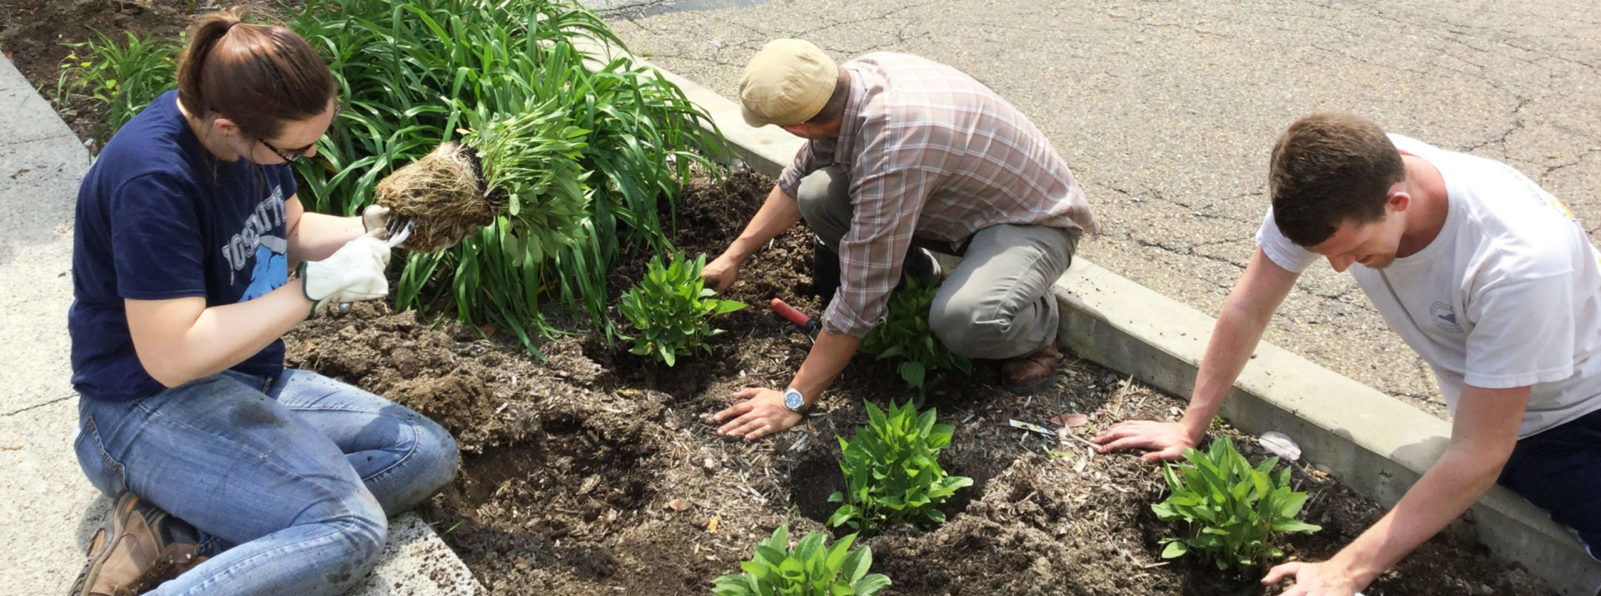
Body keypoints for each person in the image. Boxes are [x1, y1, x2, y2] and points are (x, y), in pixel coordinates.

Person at [1092, 113, 1601, 594]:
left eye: (1352, 252)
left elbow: (1481, 452)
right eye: (1326, 253)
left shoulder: (1517, 264)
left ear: (1397, 201)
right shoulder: (1333, 183)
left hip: (1571, 419)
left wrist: (1345, 571)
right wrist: (1189, 425)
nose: (1338, 269)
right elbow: (1249, 306)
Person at [67, 13, 458, 595]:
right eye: (298, 149)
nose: (311, 154)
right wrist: (309, 291)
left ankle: (175, 535)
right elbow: (172, 355)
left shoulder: (245, 138)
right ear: (229, 128)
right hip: (142, 409)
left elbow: (290, 229)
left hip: (242, 376)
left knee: (423, 452)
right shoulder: (151, 180)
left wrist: (374, 227)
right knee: (349, 529)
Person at [704, 39, 1101, 441]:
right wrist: (732, 257)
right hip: (961, 204)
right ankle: (922, 278)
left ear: (797, 127)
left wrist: (793, 399)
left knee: (964, 320)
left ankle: (1038, 329)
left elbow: (860, 297)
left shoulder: (894, 147)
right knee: (817, 194)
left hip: (1032, 221)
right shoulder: (848, 84)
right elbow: (795, 180)